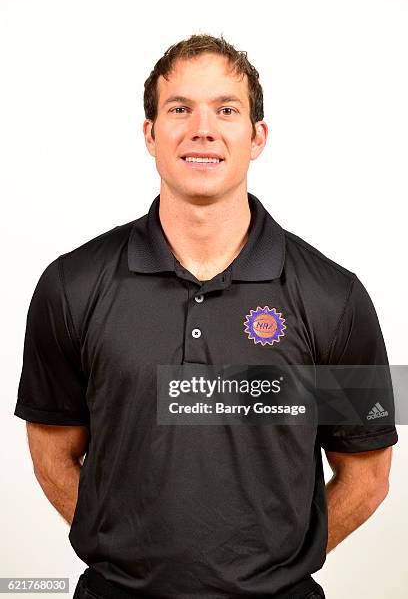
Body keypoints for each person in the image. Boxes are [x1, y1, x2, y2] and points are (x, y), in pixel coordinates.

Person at [14, 34, 398, 599]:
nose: (202, 128)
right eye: (179, 109)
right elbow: (51, 450)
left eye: (226, 109)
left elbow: (368, 476)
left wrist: (275, 572)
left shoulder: (335, 297)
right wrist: (129, 560)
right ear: (150, 134)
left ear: (256, 136)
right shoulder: (70, 285)